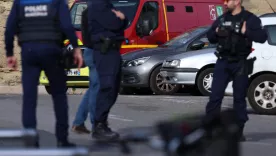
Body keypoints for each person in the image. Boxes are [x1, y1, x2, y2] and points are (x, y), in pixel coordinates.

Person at [4, 0, 83, 147]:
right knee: (59, 96)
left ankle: (30, 141)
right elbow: (66, 26)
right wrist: (76, 48)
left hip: (29, 51)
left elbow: (9, 28)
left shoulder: (21, 2)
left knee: (29, 98)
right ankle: (62, 140)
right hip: (51, 49)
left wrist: (9, 53)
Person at [205, 0, 267, 141]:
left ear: (238, 1)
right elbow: (210, 36)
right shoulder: (222, 18)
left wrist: (246, 31)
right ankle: (211, 129)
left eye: (228, 0)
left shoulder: (250, 19)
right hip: (223, 61)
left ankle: (238, 130)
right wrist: (215, 32)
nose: (225, 3)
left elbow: (263, 37)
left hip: (240, 62)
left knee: (239, 98)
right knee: (215, 97)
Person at [87, 0, 128, 140]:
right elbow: (115, 23)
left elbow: (122, 21)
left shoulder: (106, 4)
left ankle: (101, 123)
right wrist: (120, 18)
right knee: (108, 87)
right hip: (105, 50)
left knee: (113, 87)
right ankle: (99, 126)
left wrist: (122, 18)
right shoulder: (98, 4)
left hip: (111, 50)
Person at [72, 8, 100, 134]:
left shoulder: (87, 11)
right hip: (96, 52)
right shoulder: (97, 12)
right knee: (96, 88)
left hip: (90, 51)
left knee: (93, 88)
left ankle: (78, 122)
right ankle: (96, 124)